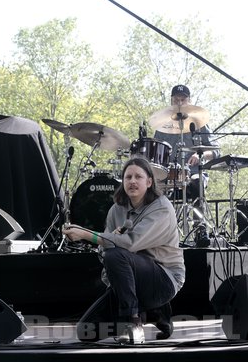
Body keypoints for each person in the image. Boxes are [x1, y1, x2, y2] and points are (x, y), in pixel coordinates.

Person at [64, 157, 185, 344]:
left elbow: (130, 244)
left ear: (149, 182)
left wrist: (86, 234)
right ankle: (155, 311)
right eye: (128, 177)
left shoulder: (161, 208)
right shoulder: (116, 210)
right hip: (128, 281)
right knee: (86, 331)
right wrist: (114, 281)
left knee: (117, 254)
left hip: (164, 279)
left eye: (138, 176)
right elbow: (106, 251)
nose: (133, 181)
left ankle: (133, 322)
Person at [154, 84, 220, 201]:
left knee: (197, 184)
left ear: (189, 101)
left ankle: (198, 219)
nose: (179, 103)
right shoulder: (162, 125)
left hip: (194, 173)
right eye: (176, 100)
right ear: (171, 101)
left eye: (183, 100)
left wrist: (200, 154)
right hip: (168, 175)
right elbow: (155, 153)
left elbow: (216, 150)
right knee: (151, 188)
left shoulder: (200, 123)